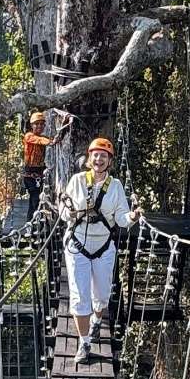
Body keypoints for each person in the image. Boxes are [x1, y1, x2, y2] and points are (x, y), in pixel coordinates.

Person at [60, 137, 143, 364]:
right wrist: (70, 212)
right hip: (77, 246)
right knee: (79, 297)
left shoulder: (115, 187)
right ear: (89, 158)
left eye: (103, 155)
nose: (99, 159)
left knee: (102, 296)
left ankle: (97, 321)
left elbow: (121, 218)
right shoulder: (77, 181)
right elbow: (63, 211)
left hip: (104, 247)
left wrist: (133, 217)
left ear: (110, 161)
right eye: (95, 154)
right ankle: (84, 343)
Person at [22, 112, 71, 224]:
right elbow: (41, 141)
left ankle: (36, 223)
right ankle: (32, 224)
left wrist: (64, 124)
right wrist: (51, 142)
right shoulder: (29, 136)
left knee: (39, 199)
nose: (39, 126)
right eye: (36, 124)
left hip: (39, 172)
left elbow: (54, 140)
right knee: (35, 199)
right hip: (30, 175)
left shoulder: (42, 137)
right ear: (32, 126)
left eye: (41, 124)